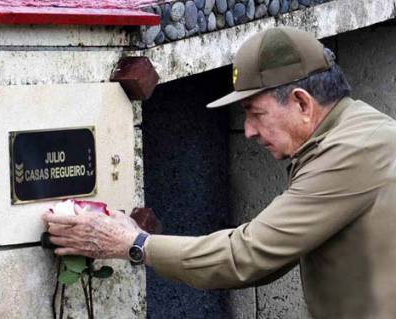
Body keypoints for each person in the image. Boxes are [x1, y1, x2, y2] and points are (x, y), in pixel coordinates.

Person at [43, 27, 396, 318]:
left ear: (303, 103)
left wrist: (135, 245)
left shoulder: (350, 152)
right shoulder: (352, 134)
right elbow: (270, 258)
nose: (248, 132)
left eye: (255, 113)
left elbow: (248, 255)